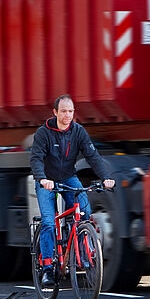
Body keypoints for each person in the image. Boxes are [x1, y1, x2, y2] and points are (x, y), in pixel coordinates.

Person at [30, 94, 115, 288]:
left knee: (84, 212)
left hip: (68, 176)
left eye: (70, 111)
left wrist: (106, 178)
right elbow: (35, 158)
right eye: (63, 111)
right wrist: (42, 179)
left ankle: (83, 249)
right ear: (55, 112)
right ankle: (47, 269)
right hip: (47, 180)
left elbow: (93, 156)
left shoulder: (78, 131)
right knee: (49, 223)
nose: (67, 115)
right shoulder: (44, 133)